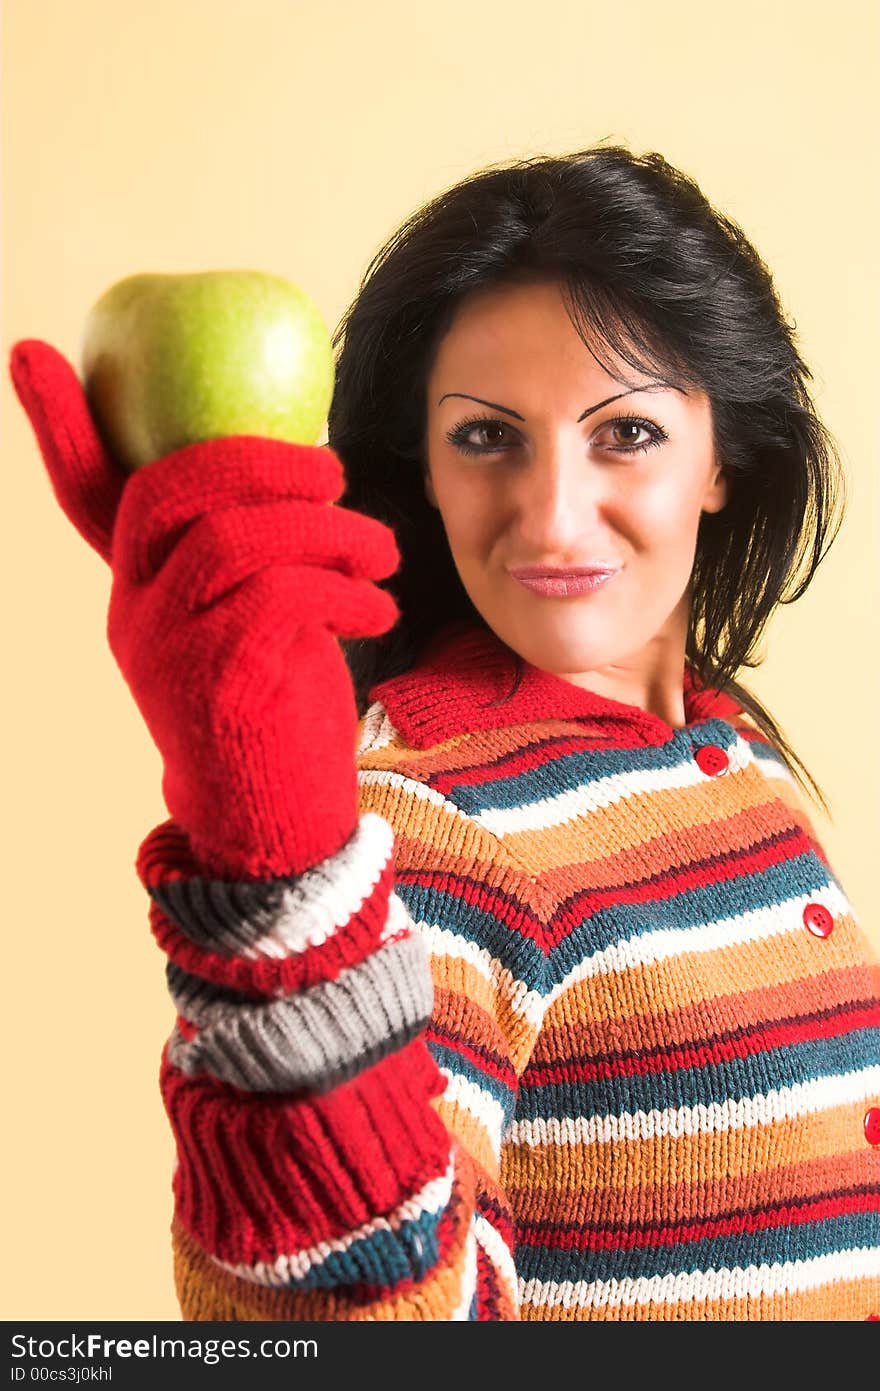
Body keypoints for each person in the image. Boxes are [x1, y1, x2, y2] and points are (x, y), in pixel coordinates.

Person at [11, 145, 880, 1322]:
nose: (551, 515)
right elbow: (356, 1314)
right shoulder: (437, 815)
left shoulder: (731, 744)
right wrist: (282, 875)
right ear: (420, 464)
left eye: (624, 434)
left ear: (721, 455)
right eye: (485, 436)